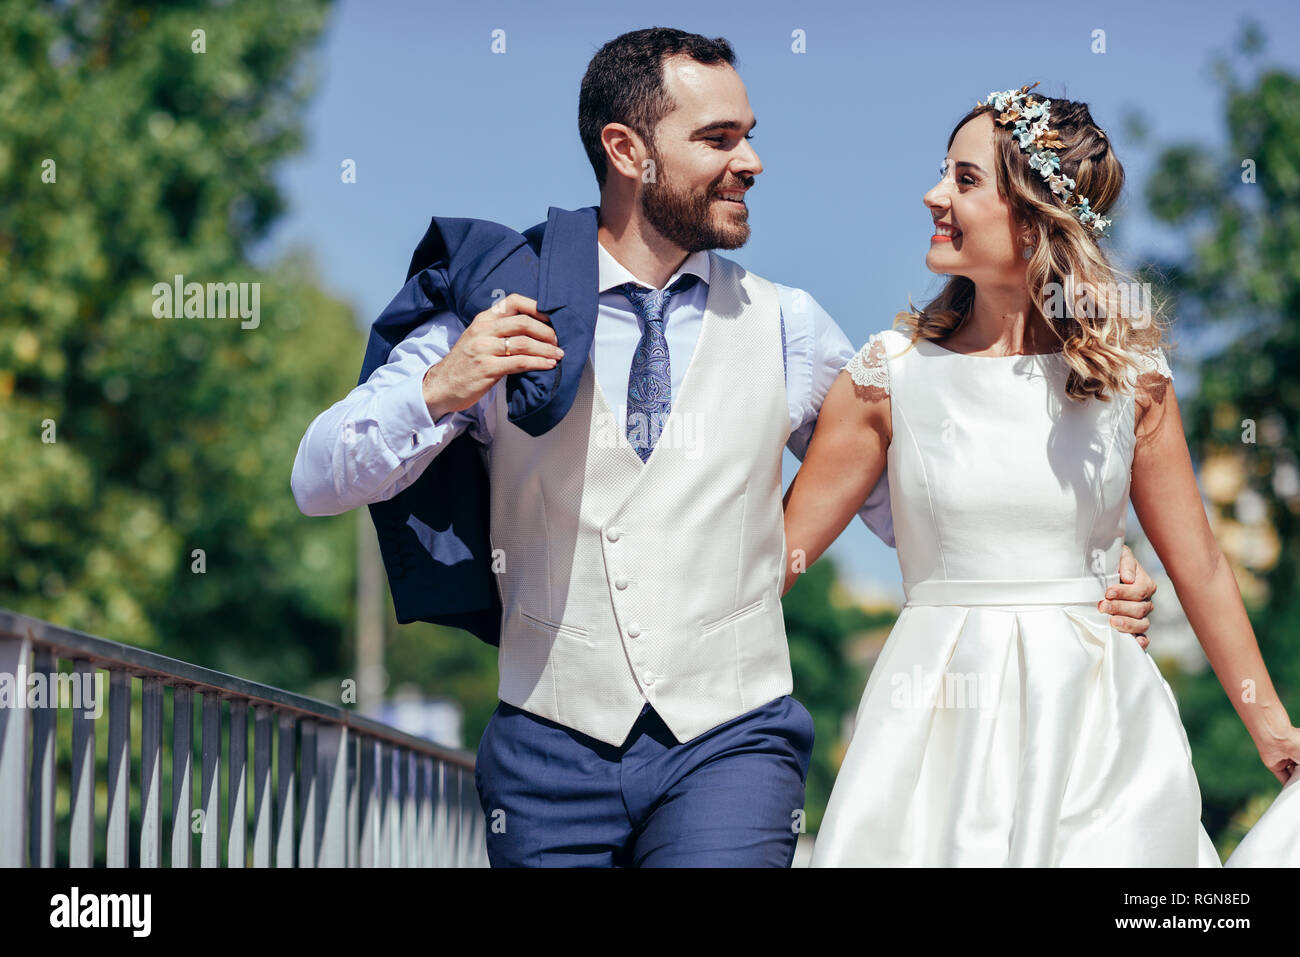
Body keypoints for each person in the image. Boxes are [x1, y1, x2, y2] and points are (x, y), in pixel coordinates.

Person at [291, 36, 1157, 868]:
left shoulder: (790, 326)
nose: (751, 162)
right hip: (543, 747)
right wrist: (443, 385)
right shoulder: (497, 302)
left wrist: (1081, 577)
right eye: (718, 139)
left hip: (733, 742)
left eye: (750, 136)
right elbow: (317, 476)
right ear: (627, 150)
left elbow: (931, 500)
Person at [781, 84, 1300, 866]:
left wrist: (1273, 727)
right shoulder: (887, 378)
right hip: (932, 729)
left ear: (1032, 217)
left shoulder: (1133, 380)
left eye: (963, 179)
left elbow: (1199, 565)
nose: (932, 195)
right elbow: (771, 563)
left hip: (1097, 726)